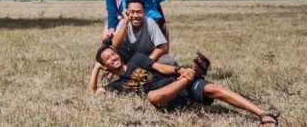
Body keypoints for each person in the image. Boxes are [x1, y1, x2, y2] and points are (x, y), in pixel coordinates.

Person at [88, 44, 279, 125]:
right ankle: (193, 75)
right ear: (105, 65)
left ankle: (264, 114)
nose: (112, 57)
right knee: (153, 97)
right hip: (166, 97)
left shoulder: (137, 59)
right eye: (107, 58)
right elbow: (93, 93)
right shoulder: (117, 85)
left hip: (176, 82)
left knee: (213, 89)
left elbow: (161, 68)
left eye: (113, 53)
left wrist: (180, 70)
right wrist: (96, 68)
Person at [111, 0, 172, 64]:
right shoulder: (123, 22)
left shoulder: (150, 22)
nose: (136, 15)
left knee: (168, 62)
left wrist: (146, 62)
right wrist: (126, 21)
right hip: (129, 56)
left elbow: (163, 47)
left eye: (139, 12)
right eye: (132, 12)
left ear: (144, 12)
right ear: (126, 12)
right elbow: (115, 44)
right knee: (110, 51)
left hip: (149, 56)